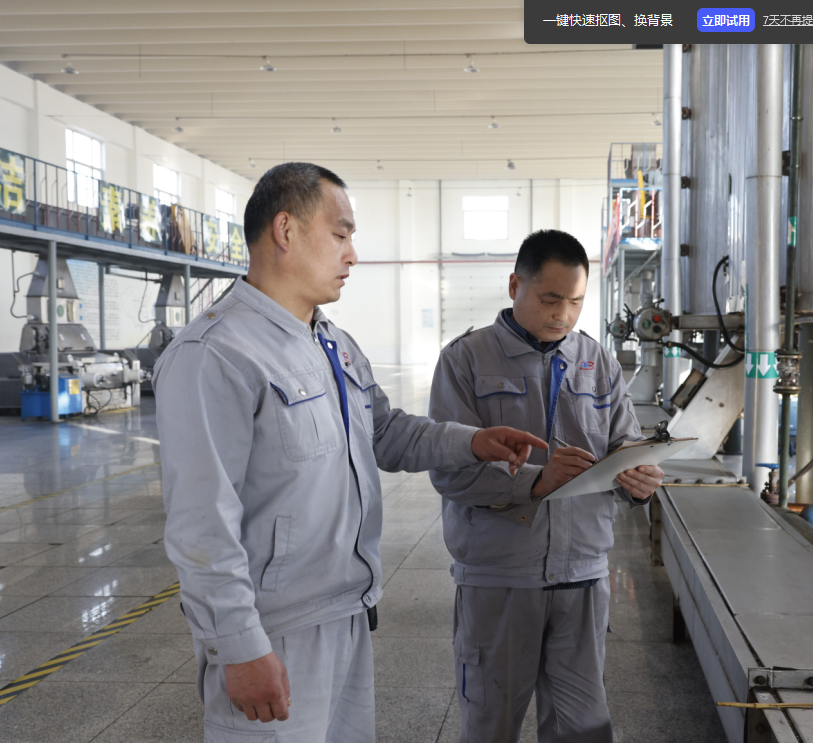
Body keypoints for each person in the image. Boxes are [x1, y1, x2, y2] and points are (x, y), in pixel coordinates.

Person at [153, 162, 547, 743]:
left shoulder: (331, 342)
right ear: (285, 231)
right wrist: (239, 646)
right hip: (274, 632)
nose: (353, 254)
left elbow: (383, 432)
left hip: (347, 613)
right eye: (340, 234)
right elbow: (201, 524)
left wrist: (470, 441)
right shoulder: (215, 354)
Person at [428, 229, 665, 743]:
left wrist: (638, 477)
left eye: (576, 302)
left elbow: (624, 441)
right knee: (491, 724)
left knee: (584, 729)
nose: (563, 315)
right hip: (501, 576)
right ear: (516, 285)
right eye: (551, 299)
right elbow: (448, 471)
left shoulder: (597, 361)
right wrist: (536, 481)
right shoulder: (466, 360)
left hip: (582, 575)